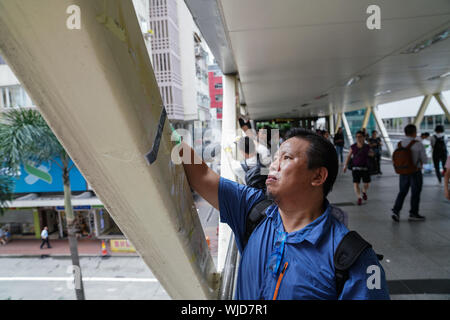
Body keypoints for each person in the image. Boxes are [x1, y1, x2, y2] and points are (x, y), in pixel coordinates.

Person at [180, 128, 389, 300]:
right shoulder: (252, 210)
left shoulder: (357, 260)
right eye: (275, 157)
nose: (273, 165)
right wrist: (168, 135)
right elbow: (202, 174)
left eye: (286, 157)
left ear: (318, 176)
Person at [391, 124, 427, 222]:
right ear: (414, 132)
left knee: (402, 192)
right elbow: (425, 160)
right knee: (415, 193)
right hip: (415, 172)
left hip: (403, 172)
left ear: (405, 133)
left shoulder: (399, 144)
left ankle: (396, 211)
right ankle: (413, 213)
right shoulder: (418, 144)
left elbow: (394, 158)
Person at [343, 131, 373, 205]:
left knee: (367, 184)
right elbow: (349, 156)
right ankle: (359, 197)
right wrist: (345, 166)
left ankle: (364, 191)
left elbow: (372, 154)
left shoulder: (367, 146)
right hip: (355, 168)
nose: (358, 138)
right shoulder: (353, 147)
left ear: (363, 137)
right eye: (357, 137)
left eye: (360, 136)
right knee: (356, 183)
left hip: (365, 168)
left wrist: (371, 154)